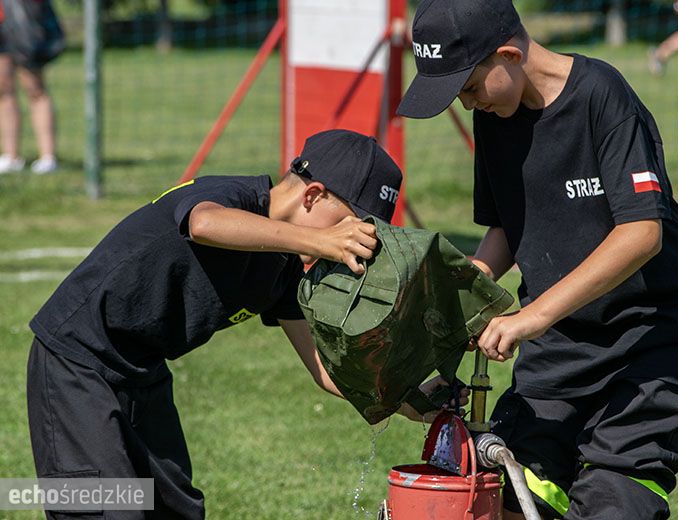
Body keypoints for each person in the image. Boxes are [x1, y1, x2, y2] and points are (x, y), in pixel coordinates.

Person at [27, 129, 457, 519]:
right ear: (312, 196)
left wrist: (404, 397)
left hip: (142, 371)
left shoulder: (285, 268)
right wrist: (321, 241)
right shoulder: (231, 196)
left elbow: (325, 370)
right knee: (103, 508)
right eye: (349, 227)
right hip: (75, 361)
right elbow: (203, 224)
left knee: (174, 507)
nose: (349, 245)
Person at [398, 1, 678, 519]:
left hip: (647, 349)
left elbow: (642, 232)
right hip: (557, 357)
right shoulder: (495, 118)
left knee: (611, 504)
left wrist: (532, 316)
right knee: (499, 498)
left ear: (508, 55)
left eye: (469, 88)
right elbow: (506, 226)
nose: (469, 104)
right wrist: (466, 292)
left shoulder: (602, 96)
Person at [0, 0, 59, 174]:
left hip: (23, 18)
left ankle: (48, 157)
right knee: (3, 90)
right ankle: (11, 156)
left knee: (35, 88)